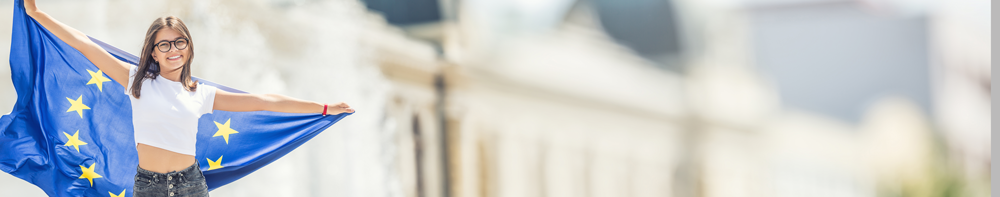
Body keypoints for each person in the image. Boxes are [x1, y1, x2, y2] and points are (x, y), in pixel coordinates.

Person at [23, 0, 355, 196]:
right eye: (164, 44)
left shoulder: (200, 93)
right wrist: (36, 13)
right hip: (148, 186)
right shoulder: (136, 81)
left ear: (188, 48)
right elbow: (84, 44)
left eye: (179, 42)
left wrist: (324, 108)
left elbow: (263, 101)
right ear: (153, 52)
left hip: (190, 186)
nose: (173, 49)